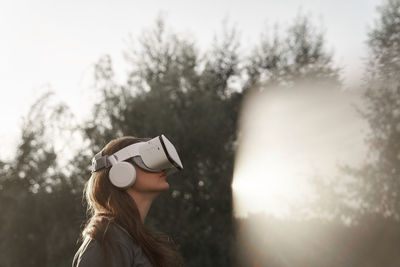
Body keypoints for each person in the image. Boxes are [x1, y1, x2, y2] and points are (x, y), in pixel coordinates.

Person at [72, 135, 184, 267]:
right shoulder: (108, 238)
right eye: (145, 159)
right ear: (121, 172)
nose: (163, 169)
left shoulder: (126, 237)